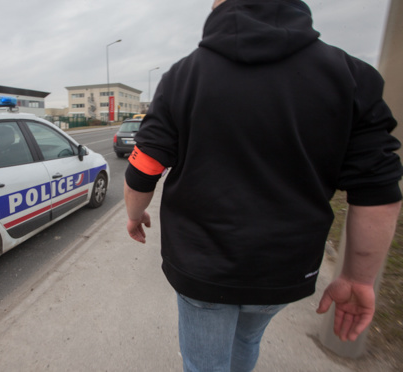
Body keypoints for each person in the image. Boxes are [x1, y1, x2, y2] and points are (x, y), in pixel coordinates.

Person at [123, 0, 402, 371]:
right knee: (248, 339)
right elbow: (378, 189)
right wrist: (358, 278)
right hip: (285, 267)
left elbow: (145, 166)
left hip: (202, 264)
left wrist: (134, 213)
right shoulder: (350, 75)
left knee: (204, 363)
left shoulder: (184, 76)